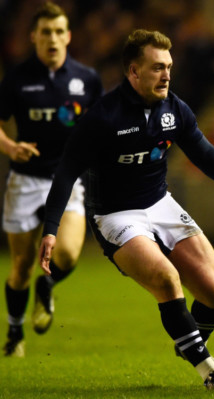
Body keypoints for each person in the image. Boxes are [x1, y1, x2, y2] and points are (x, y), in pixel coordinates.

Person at [38, 29, 214, 390]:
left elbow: (202, 151)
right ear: (133, 72)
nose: (166, 75)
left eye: (168, 67)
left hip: (160, 204)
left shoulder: (175, 108)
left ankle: (189, 342)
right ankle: (207, 367)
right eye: (156, 68)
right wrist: (52, 228)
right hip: (116, 216)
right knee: (167, 279)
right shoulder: (102, 117)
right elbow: (67, 172)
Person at [0, 2, 103, 357]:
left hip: (67, 179)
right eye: (46, 32)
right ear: (34, 37)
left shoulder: (87, 79)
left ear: (69, 36)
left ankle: (47, 286)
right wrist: (12, 147)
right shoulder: (16, 78)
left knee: (69, 255)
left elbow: (100, 126)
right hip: (25, 181)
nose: (53, 39)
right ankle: (15, 333)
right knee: (21, 265)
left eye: (59, 31)